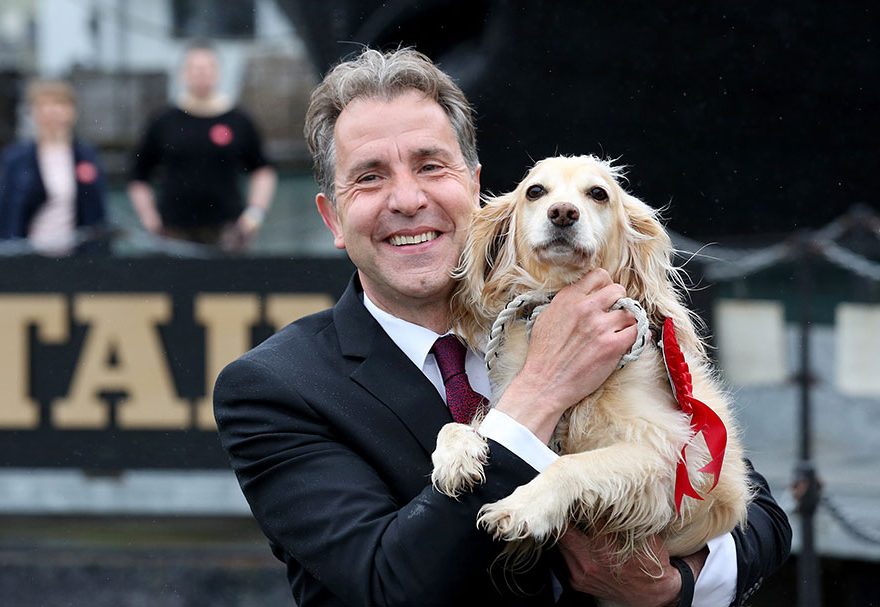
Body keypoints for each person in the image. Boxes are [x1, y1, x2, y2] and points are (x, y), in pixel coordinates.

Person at [214, 48, 791, 606]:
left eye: (430, 166)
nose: (408, 199)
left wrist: (674, 587)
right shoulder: (274, 390)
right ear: (333, 218)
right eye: (369, 177)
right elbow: (389, 584)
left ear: (474, 184)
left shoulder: (604, 325)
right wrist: (542, 386)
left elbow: (760, 515)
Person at [128, 41, 277, 252]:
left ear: (218, 72)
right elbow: (138, 176)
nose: (201, 74)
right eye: (195, 68)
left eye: (207, 68)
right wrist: (149, 218)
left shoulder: (238, 120)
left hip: (228, 231)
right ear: (183, 73)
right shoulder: (163, 121)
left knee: (225, 285)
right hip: (173, 232)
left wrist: (255, 214)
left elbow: (263, 171)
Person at [0, 79, 107, 255]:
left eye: (60, 104)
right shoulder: (16, 158)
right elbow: (8, 212)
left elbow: (96, 213)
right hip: (27, 258)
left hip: (76, 259)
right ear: (33, 112)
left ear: (73, 111)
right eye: (44, 105)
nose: (53, 111)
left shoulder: (86, 155)